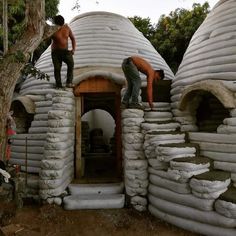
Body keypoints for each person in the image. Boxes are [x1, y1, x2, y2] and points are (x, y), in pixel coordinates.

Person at [51, 15, 76, 89]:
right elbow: (46, 38)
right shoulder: (52, 29)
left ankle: (69, 82)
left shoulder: (67, 28)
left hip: (65, 51)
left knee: (71, 64)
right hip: (55, 52)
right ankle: (58, 84)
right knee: (57, 68)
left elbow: (73, 38)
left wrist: (73, 49)